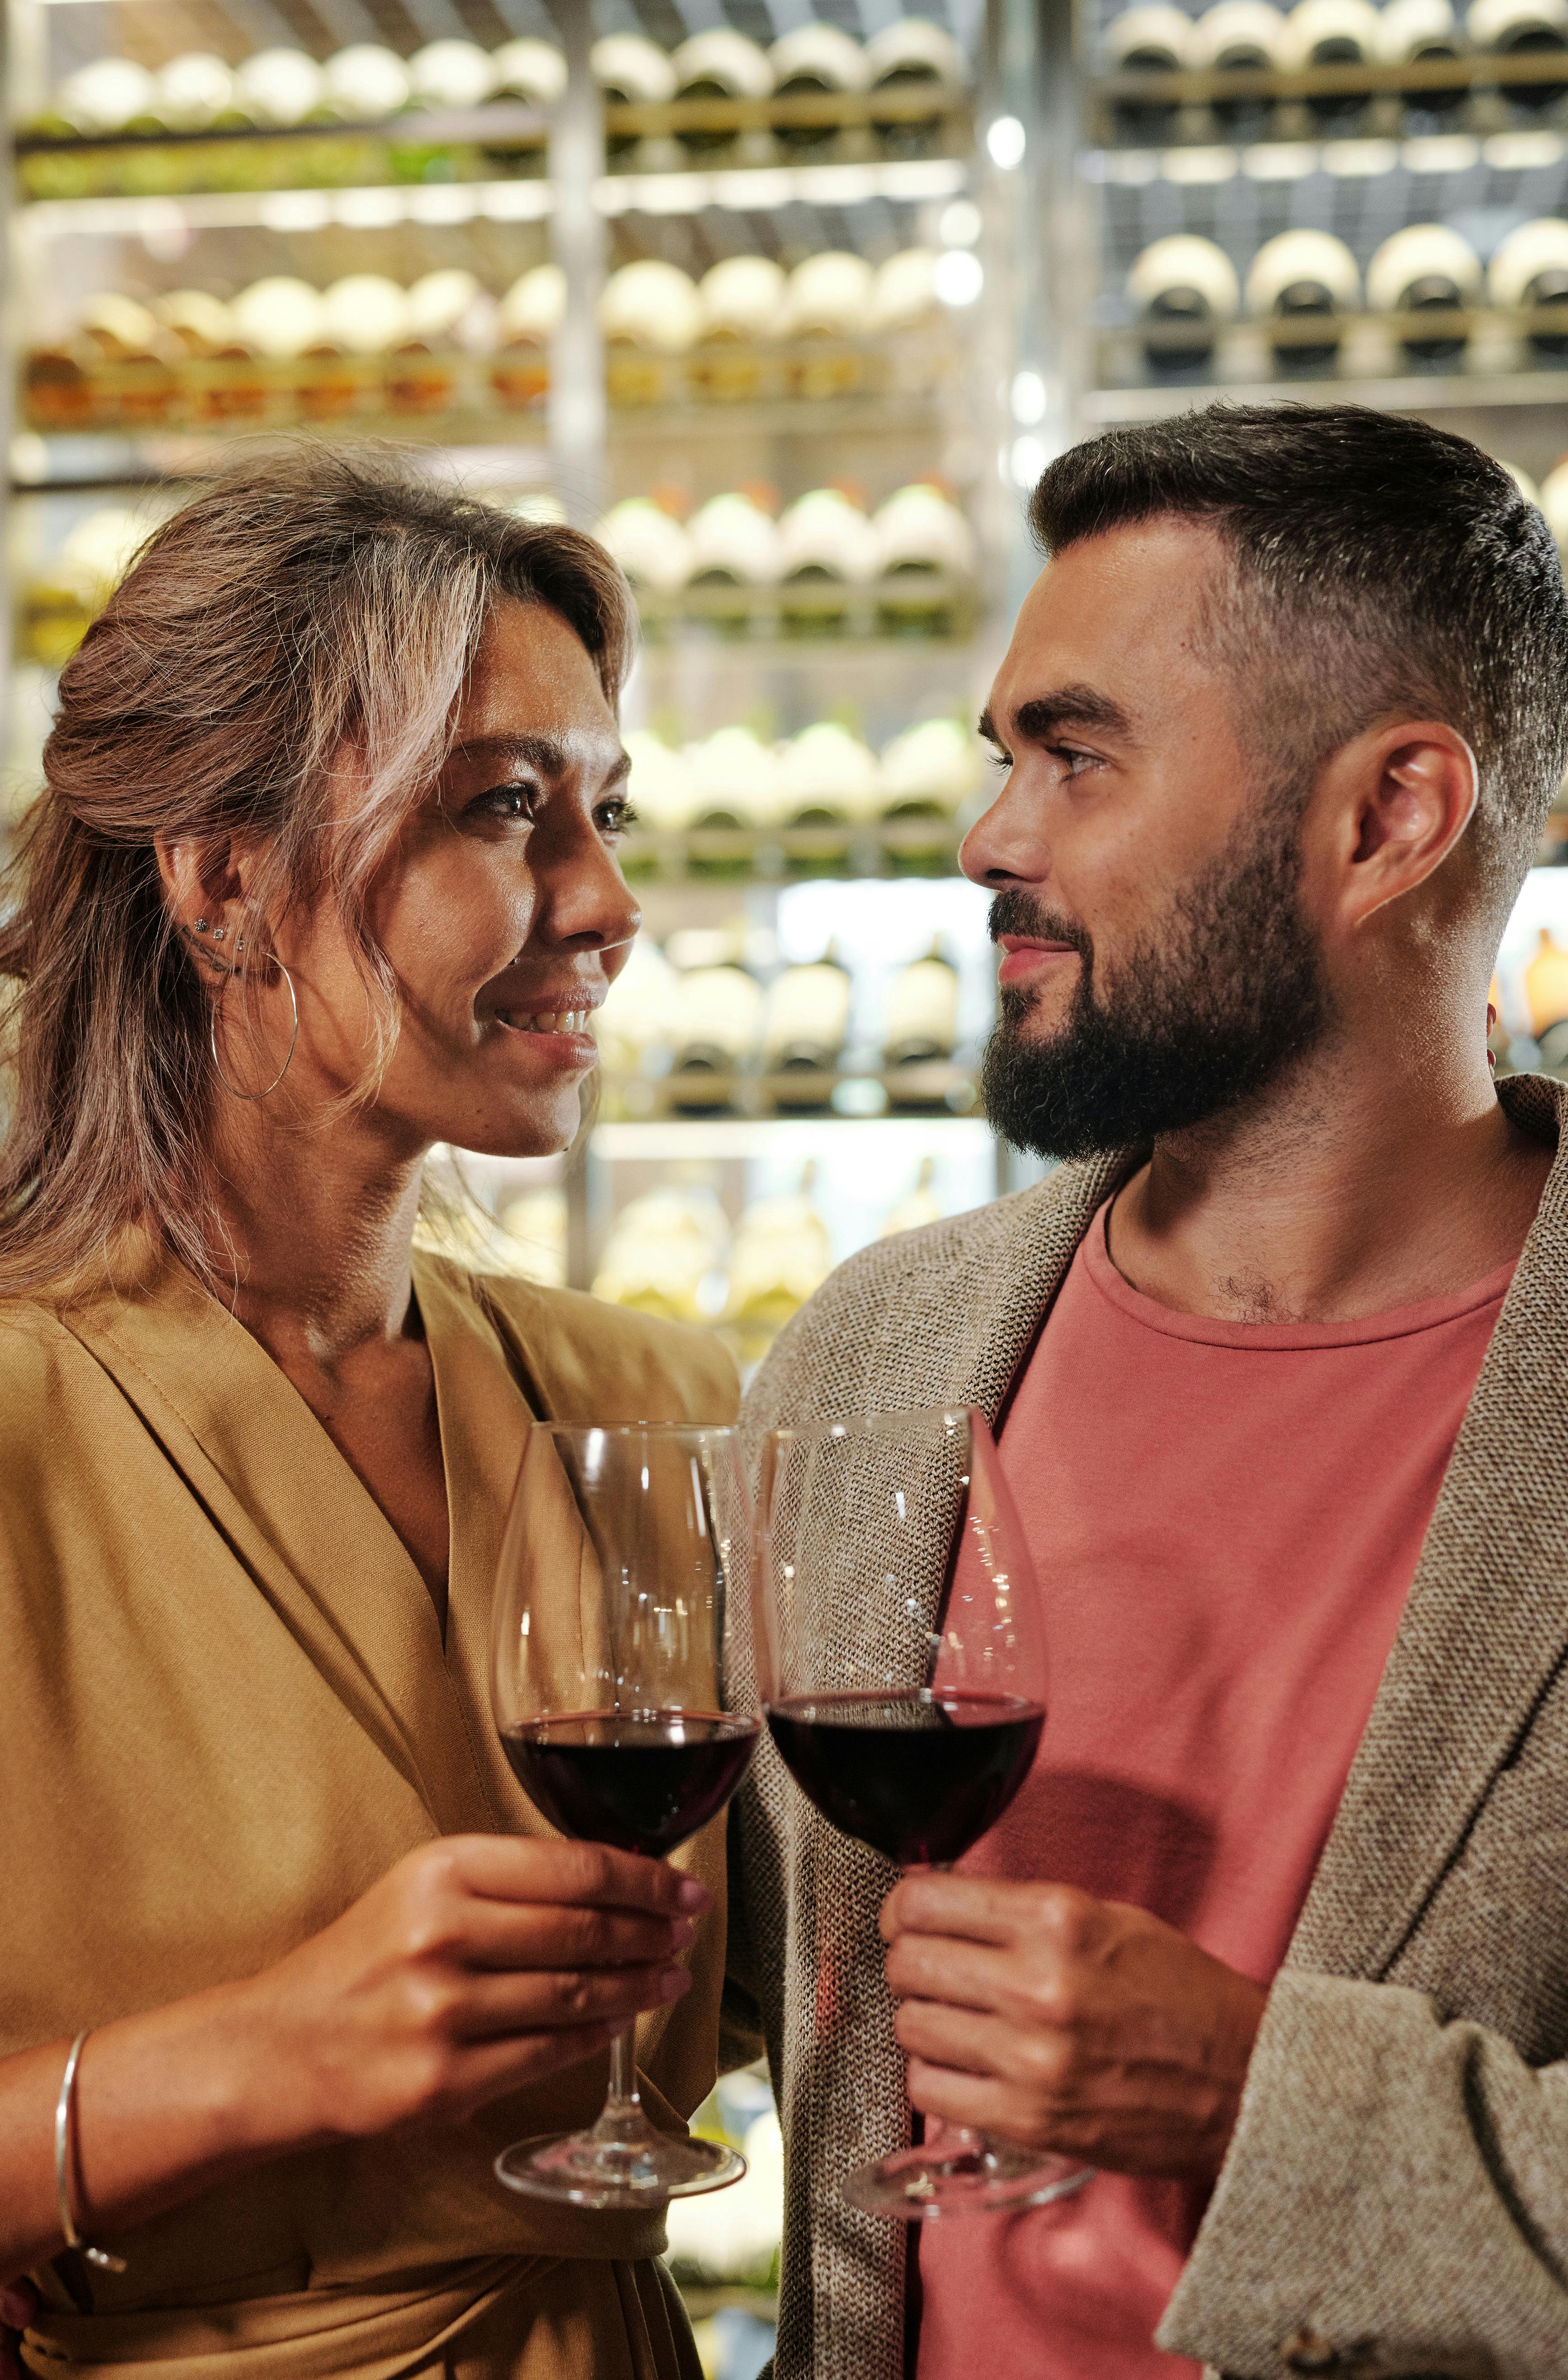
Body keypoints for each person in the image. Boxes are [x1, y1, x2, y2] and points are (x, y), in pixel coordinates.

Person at [735, 401, 1568, 2379]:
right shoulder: (877, 1348)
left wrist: (1259, 2098)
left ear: (1388, 818)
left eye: (1076, 756)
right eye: (1000, 759)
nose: (989, 841)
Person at [0, 450, 746, 2380]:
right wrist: (260, 2058)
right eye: (502, 806)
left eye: (605, 811)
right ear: (225, 881)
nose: (609, 903)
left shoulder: (654, 1404)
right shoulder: (5, 1426)